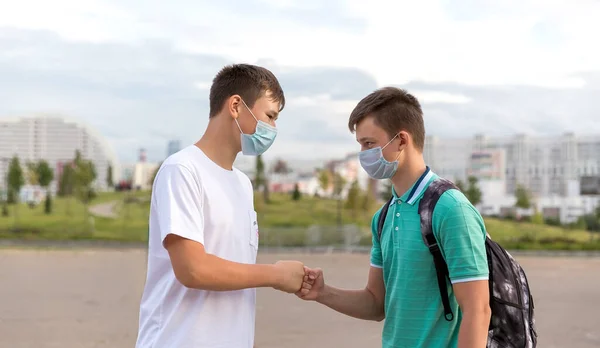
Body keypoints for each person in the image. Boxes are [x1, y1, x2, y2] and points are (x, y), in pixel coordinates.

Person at [297, 87, 491, 347]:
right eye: (361, 145)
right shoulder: (383, 217)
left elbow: (478, 311)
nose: (363, 154)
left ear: (401, 140)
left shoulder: (451, 209)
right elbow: (376, 304)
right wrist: (322, 292)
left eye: (369, 144)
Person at [135, 64, 308, 348]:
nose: (273, 129)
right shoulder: (182, 169)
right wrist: (276, 275)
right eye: (270, 116)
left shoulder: (242, 184)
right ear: (236, 106)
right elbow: (192, 268)